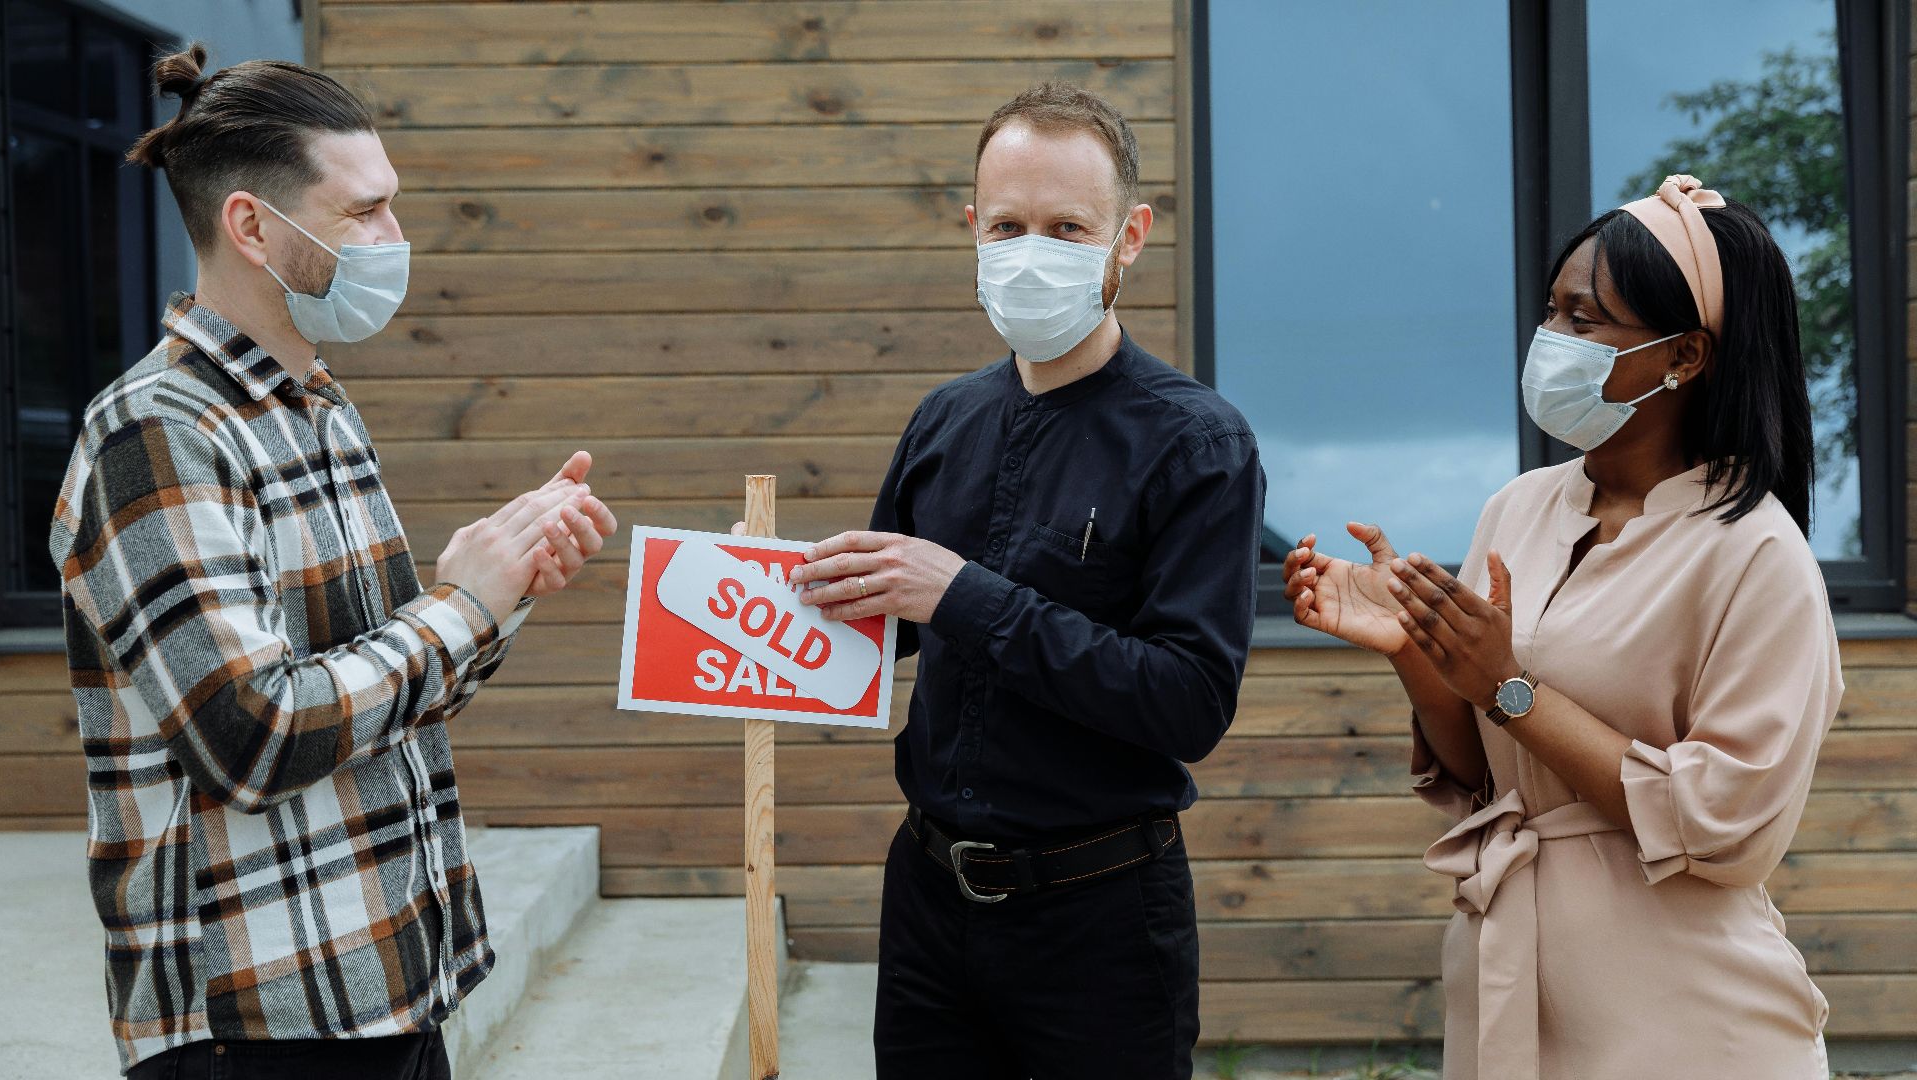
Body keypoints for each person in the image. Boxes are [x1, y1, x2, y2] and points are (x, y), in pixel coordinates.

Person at [52, 46, 617, 1078]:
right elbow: (256, 733)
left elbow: (385, 689)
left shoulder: (318, 404)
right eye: (364, 213)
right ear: (253, 227)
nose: (395, 240)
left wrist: (502, 589)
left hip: (386, 984)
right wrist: (458, 606)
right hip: (257, 1022)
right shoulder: (155, 437)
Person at [1283, 176, 1838, 1079]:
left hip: (1686, 1022)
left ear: (1684, 356)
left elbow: (1728, 826)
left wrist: (1509, 686)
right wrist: (1418, 652)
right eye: (1552, 313)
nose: (1553, 341)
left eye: (1586, 321)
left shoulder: (1757, 554)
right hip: (1512, 995)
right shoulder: (1519, 508)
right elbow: (1481, 773)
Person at [769, 82, 1264, 1078]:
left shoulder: (1199, 445)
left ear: (1130, 238)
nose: (1031, 249)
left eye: (1067, 226)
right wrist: (756, 590)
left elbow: (1189, 703)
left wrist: (966, 595)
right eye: (1008, 224)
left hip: (1102, 922)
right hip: (927, 900)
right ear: (973, 232)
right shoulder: (943, 420)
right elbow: (887, 622)